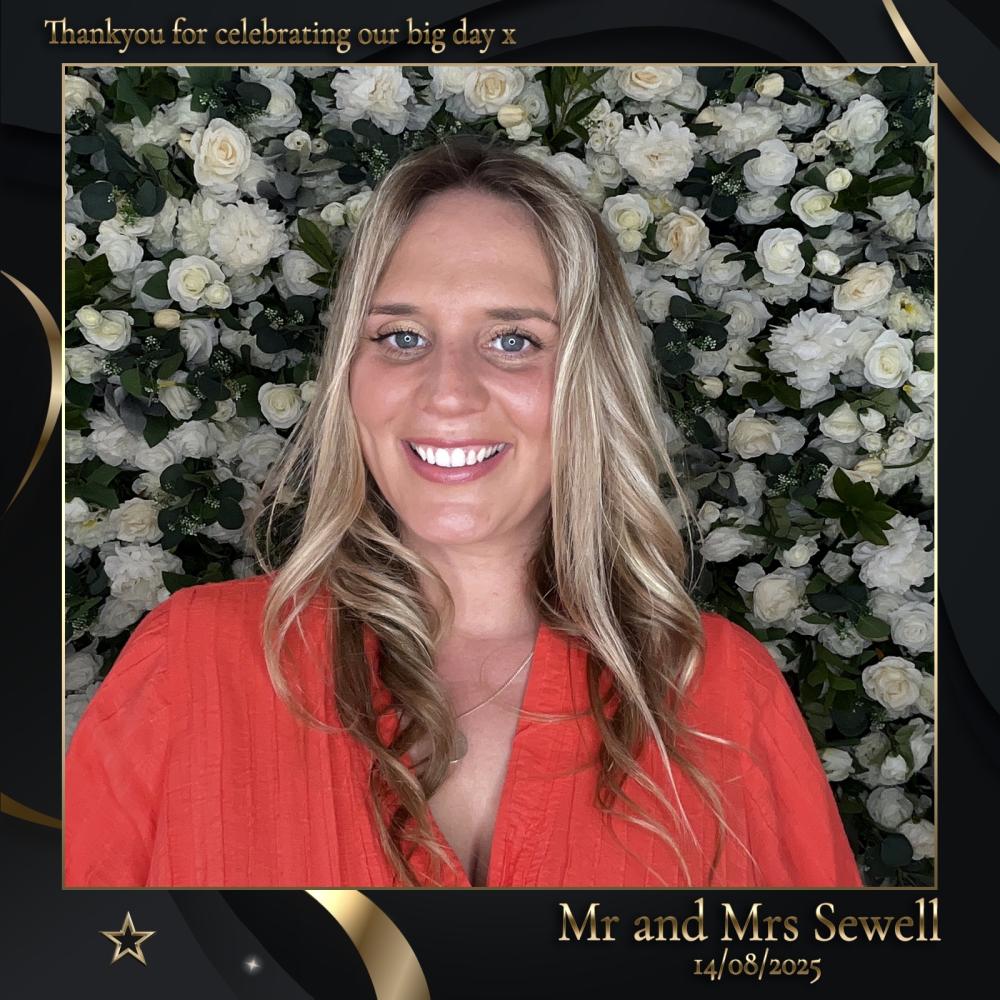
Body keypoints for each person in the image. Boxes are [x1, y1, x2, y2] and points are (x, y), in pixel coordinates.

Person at [65, 135, 862, 889]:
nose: (448, 393)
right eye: (402, 336)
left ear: (591, 380)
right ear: (349, 374)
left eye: (513, 341)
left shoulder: (723, 691)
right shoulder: (190, 664)